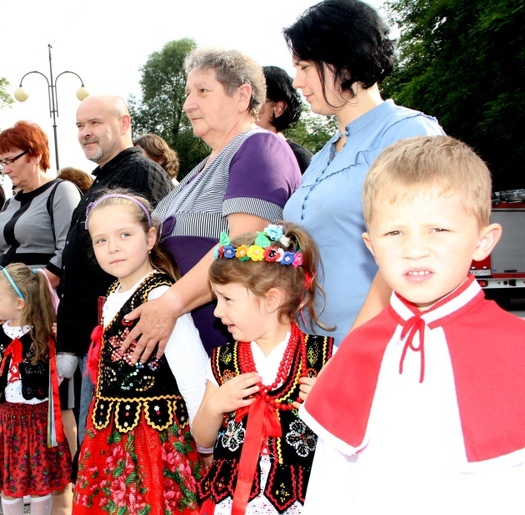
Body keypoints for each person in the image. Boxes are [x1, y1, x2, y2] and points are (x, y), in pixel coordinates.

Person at [300, 136, 525, 513]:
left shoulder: (516, 347)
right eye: (394, 232)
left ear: (483, 243)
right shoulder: (356, 352)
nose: (414, 249)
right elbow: (331, 486)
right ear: (371, 248)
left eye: (438, 229)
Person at [281, 0, 445, 346]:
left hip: (382, 350)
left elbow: (418, 253)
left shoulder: (407, 134)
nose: (297, 81)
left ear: (342, 62)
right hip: (317, 352)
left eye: (305, 66)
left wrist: (353, 353)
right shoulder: (325, 153)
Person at [129, 48, 302, 358]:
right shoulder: (203, 167)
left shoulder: (260, 146)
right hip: (189, 355)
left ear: (242, 95)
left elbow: (244, 246)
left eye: (203, 91)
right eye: (187, 93)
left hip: (229, 353)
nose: (188, 104)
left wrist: (170, 304)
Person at [72, 192, 207, 514]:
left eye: (124, 235)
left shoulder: (160, 296)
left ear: (150, 237)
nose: (113, 247)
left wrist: (204, 445)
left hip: (153, 441)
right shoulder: (114, 293)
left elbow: (192, 375)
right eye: (100, 241)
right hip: (108, 437)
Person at [56, 94, 173, 446]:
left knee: (110, 450)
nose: (85, 133)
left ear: (124, 124)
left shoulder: (140, 171)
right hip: (95, 336)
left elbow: (140, 256)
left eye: (94, 123)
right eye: (79, 125)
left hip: (122, 342)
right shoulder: (106, 177)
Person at [192, 223, 333, 514]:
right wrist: (215, 407)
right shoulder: (222, 361)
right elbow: (202, 439)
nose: (217, 312)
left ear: (272, 300)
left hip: (303, 499)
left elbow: (349, 436)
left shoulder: (326, 358)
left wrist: (327, 406)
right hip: (229, 499)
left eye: (228, 299)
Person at [0, 121, 82, 476]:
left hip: (43, 303)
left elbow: (70, 249)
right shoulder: (10, 202)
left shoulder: (62, 191)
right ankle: (27, 471)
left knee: (55, 395)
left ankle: (67, 476)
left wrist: (30, 294)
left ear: (35, 155)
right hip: (10, 303)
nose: (4, 169)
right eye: (0, 162)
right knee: (11, 389)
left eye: (10, 160)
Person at [0, 264, 72, 515]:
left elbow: (63, 374)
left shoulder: (44, 335)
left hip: (39, 421)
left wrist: (64, 344)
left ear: (19, 303)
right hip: (4, 421)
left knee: (41, 484)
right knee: (10, 484)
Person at [257, 66, 313, 174]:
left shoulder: (299, 159)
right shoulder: (238, 154)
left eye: (255, 102)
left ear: (278, 108)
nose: (246, 108)